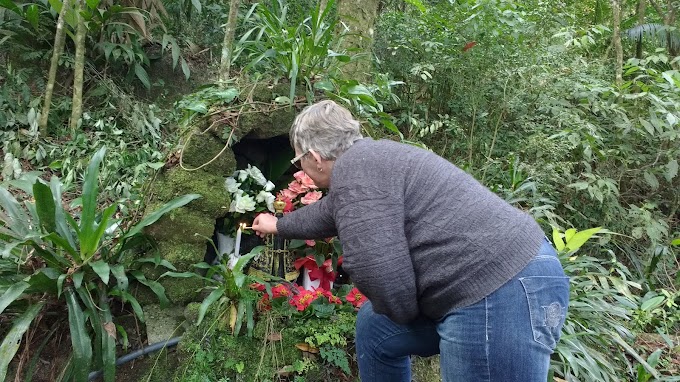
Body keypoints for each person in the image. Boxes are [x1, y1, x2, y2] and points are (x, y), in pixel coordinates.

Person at [252, 100, 569, 382]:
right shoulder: (372, 161)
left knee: (388, 314)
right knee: (376, 326)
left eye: (298, 162)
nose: (301, 168)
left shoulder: (357, 173)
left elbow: (376, 267)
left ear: (315, 157)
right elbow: (327, 212)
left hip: (497, 290)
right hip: (517, 273)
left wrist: (405, 314)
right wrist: (278, 225)